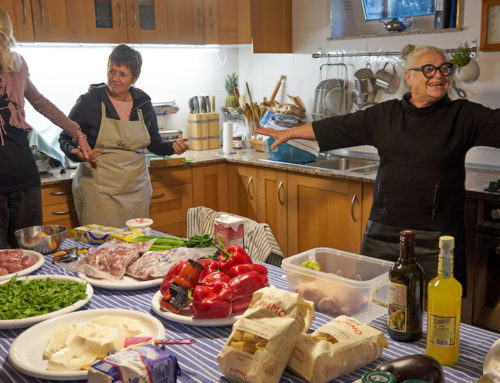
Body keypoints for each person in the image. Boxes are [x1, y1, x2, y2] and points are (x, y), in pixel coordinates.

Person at [257, 45, 500, 293]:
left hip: (437, 235)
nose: (438, 75)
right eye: (429, 69)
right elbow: (339, 127)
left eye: (444, 69)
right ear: (410, 76)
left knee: (433, 308)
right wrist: (289, 132)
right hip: (384, 228)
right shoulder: (386, 114)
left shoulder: (464, 116)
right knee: (373, 299)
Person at [59, 44, 188, 228]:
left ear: (134, 78)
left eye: (122, 74)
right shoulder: (90, 101)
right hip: (100, 194)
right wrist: (75, 153)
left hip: (136, 192)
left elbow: (154, 142)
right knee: (101, 251)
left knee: (135, 248)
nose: (114, 78)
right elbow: (65, 137)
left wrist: (171, 147)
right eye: (112, 71)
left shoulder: (143, 103)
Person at [0, 8, 91, 249]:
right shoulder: (14, 64)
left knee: (30, 255)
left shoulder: (16, 65)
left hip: (22, 174)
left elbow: (41, 103)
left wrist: (76, 131)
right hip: (14, 172)